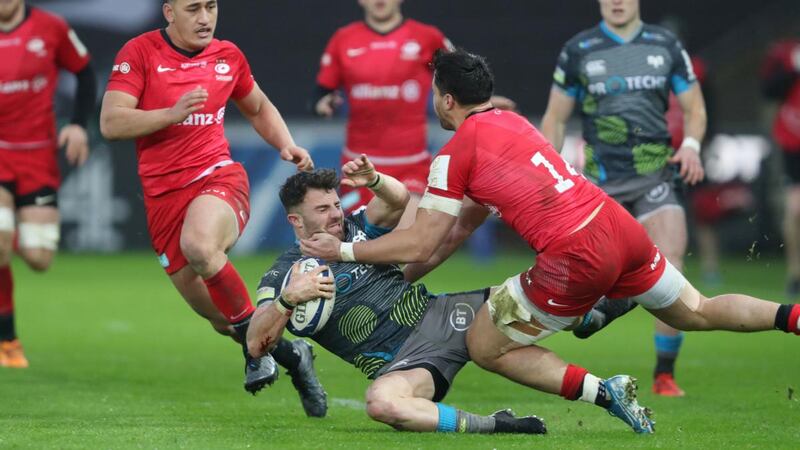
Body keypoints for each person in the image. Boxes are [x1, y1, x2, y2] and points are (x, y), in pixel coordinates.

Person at [300, 49, 800, 433]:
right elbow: (458, 228)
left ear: (445, 100)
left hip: (575, 255)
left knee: (483, 342)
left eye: (435, 92)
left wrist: (342, 252)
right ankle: (793, 318)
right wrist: (405, 273)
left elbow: (421, 239)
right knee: (697, 310)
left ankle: (603, 378)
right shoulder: (514, 123)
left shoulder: (453, 155)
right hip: (616, 224)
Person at [245, 165, 646, 434]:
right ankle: (497, 425)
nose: (335, 214)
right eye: (322, 209)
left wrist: (374, 178)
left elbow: (402, 201)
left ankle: (594, 328)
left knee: (528, 302)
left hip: (446, 315)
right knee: (383, 404)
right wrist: (286, 302)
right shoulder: (282, 275)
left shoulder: (356, 228)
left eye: (336, 203)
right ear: (296, 221)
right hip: (408, 364)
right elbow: (255, 341)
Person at [98, 0, 325, 416]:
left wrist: (285, 143)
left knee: (201, 246)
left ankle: (257, 355)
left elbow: (256, 106)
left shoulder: (228, 55)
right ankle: (295, 358)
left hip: (218, 178)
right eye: (193, 9)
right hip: (163, 200)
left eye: (211, 7)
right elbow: (111, 123)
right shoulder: (140, 53)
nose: (205, 18)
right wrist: (170, 113)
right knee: (226, 322)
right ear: (169, 13)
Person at [539, 0, 707, 397]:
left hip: (656, 176)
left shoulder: (665, 45)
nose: (617, 2)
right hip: (600, 183)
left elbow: (694, 106)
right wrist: (545, 168)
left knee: (672, 266)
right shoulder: (579, 49)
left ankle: (664, 373)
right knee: (593, 271)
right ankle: (595, 314)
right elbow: (556, 117)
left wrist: (694, 145)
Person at [312, 0, 514, 226]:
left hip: (410, 165)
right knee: (358, 239)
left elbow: (461, 75)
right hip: (358, 165)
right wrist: (324, 103)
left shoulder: (426, 37)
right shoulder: (343, 39)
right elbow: (321, 93)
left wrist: (481, 101)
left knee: (407, 233)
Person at [0, 0, 96, 368]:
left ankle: (11, 232)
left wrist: (77, 125)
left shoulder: (51, 28)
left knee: (39, 258)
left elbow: (85, 73)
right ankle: (7, 338)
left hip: (37, 156)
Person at [761, 37, 800, 299]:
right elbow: (768, 90)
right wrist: (794, 69)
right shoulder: (786, 53)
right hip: (794, 145)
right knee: (795, 211)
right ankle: (795, 273)